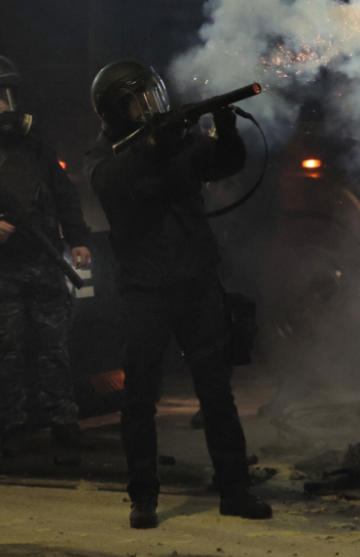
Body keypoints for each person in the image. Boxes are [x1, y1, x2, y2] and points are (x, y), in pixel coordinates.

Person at [85, 61, 271, 529]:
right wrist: (154, 143)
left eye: (152, 98)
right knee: (139, 397)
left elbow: (226, 163)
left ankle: (234, 489)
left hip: (195, 280)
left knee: (216, 392)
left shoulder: (180, 143)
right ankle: (143, 495)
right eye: (136, 102)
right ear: (113, 111)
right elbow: (109, 182)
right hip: (145, 288)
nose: (149, 109)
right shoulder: (107, 154)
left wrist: (226, 130)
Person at [0, 54, 92, 455]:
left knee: (53, 345)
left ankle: (63, 419)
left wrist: (77, 238)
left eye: (7, 96)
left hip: (43, 257)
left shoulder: (36, 142)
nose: (3, 106)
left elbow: (63, 194)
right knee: (7, 348)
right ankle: (14, 424)